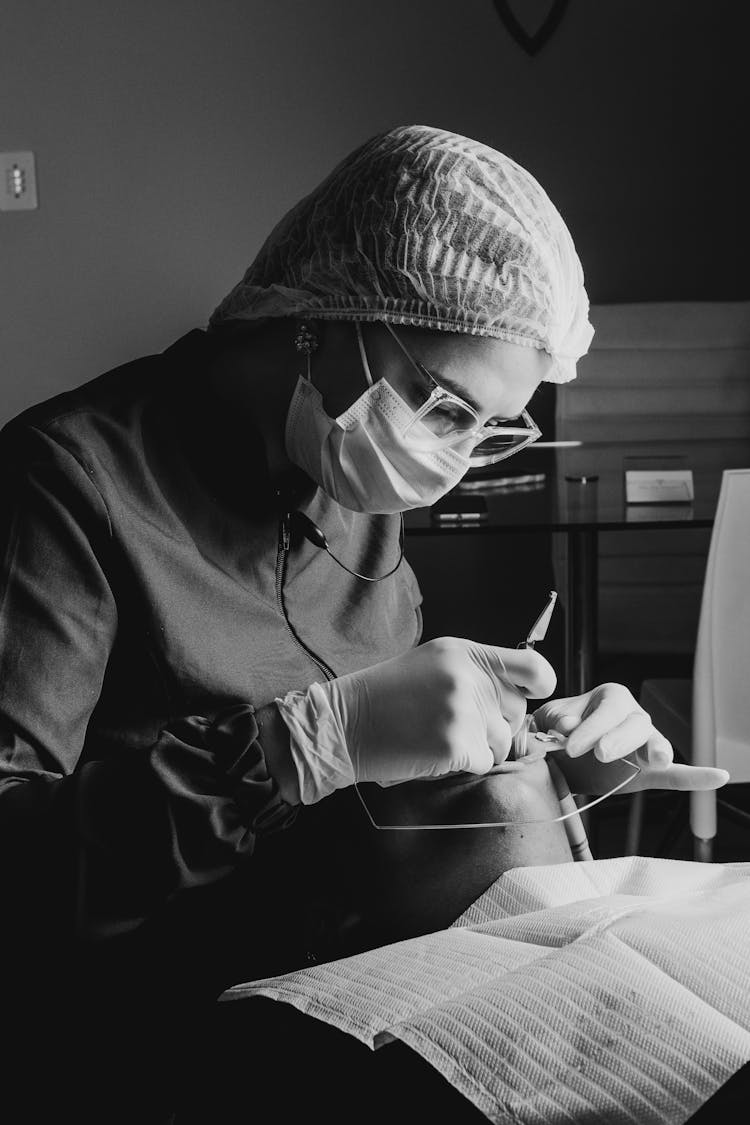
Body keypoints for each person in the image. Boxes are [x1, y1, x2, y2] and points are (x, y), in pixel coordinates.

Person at [0, 125, 727, 1124]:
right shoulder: (67, 484)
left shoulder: (355, 490)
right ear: (324, 318)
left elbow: (394, 783)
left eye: (490, 428)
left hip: (386, 969)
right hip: (169, 1023)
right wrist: (298, 747)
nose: (452, 459)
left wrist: (554, 767)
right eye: (439, 403)